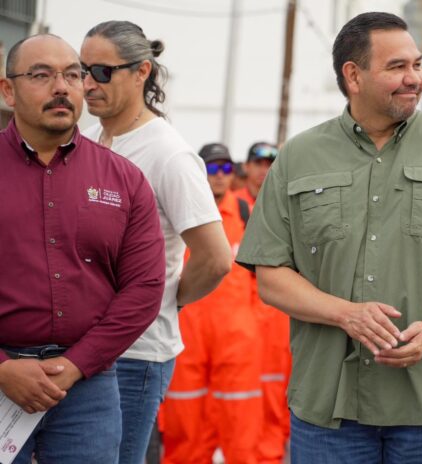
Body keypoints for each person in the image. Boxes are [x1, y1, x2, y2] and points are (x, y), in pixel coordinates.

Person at [236, 12, 422, 463]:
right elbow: (270, 276)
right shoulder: (299, 158)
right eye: (397, 67)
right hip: (328, 410)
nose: (415, 78)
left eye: (417, 64)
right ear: (353, 76)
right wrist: (345, 314)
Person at [0, 34, 165, 463]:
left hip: (87, 389)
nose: (62, 87)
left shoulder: (123, 179)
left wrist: (76, 365)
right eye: (41, 75)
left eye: (73, 75)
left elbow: (145, 287)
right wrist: (2, 368)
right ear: (8, 90)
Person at [80, 21, 231, 464]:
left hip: (135, 355)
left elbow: (216, 258)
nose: (87, 84)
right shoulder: (86, 142)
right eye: (82, 70)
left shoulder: (168, 154)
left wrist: (167, 300)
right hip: (81, 350)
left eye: (102, 72)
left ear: (141, 72)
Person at [160, 143, 262, 464]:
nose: (220, 175)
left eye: (226, 168)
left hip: (237, 342)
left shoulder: (246, 215)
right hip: (187, 337)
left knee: (241, 427)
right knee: (185, 425)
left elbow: (262, 280)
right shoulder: (178, 213)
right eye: (212, 168)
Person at [236, 141, 292, 463]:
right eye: (258, 163)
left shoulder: (285, 208)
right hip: (239, 328)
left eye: (270, 164)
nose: (263, 170)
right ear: (247, 167)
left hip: (277, 323)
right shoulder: (232, 209)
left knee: (274, 399)